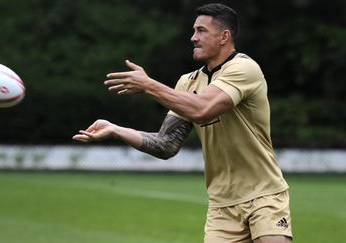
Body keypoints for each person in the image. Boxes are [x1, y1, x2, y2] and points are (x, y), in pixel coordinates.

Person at [73, 3, 293, 243]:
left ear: (224, 36)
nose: (193, 38)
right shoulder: (187, 82)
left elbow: (203, 109)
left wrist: (148, 85)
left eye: (201, 31)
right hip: (222, 206)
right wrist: (116, 130)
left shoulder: (244, 68)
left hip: (264, 195)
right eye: (193, 31)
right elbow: (165, 144)